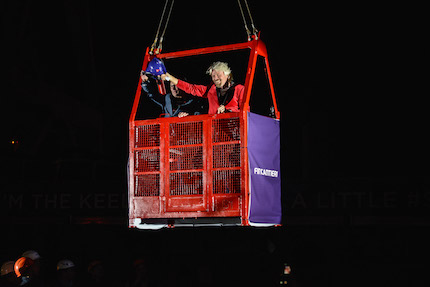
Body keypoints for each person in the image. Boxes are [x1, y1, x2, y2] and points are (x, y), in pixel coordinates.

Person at [161, 61, 245, 115]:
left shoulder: (239, 89)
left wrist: (227, 110)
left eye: (219, 75)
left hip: (233, 130)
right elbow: (191, 88)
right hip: (215, 131)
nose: (215, 78)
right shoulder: (211, 90)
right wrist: (170, 78)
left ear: (227, 75)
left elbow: (245, 112)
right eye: (213, 76)